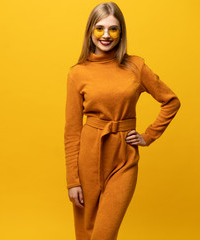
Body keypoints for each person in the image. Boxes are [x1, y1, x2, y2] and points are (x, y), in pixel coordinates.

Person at [64, 2, 181, 240]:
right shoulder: (78, 73)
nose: (106, 35)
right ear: (90, 31)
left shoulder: (135, 66)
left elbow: (171, 101)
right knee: (86, 233)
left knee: (104, 234)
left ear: (121, 32)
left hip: (124, 155)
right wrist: (72, 181)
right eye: (100, 28)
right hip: (89, 152)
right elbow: (72, 131)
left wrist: (148, 136)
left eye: (113, 29)